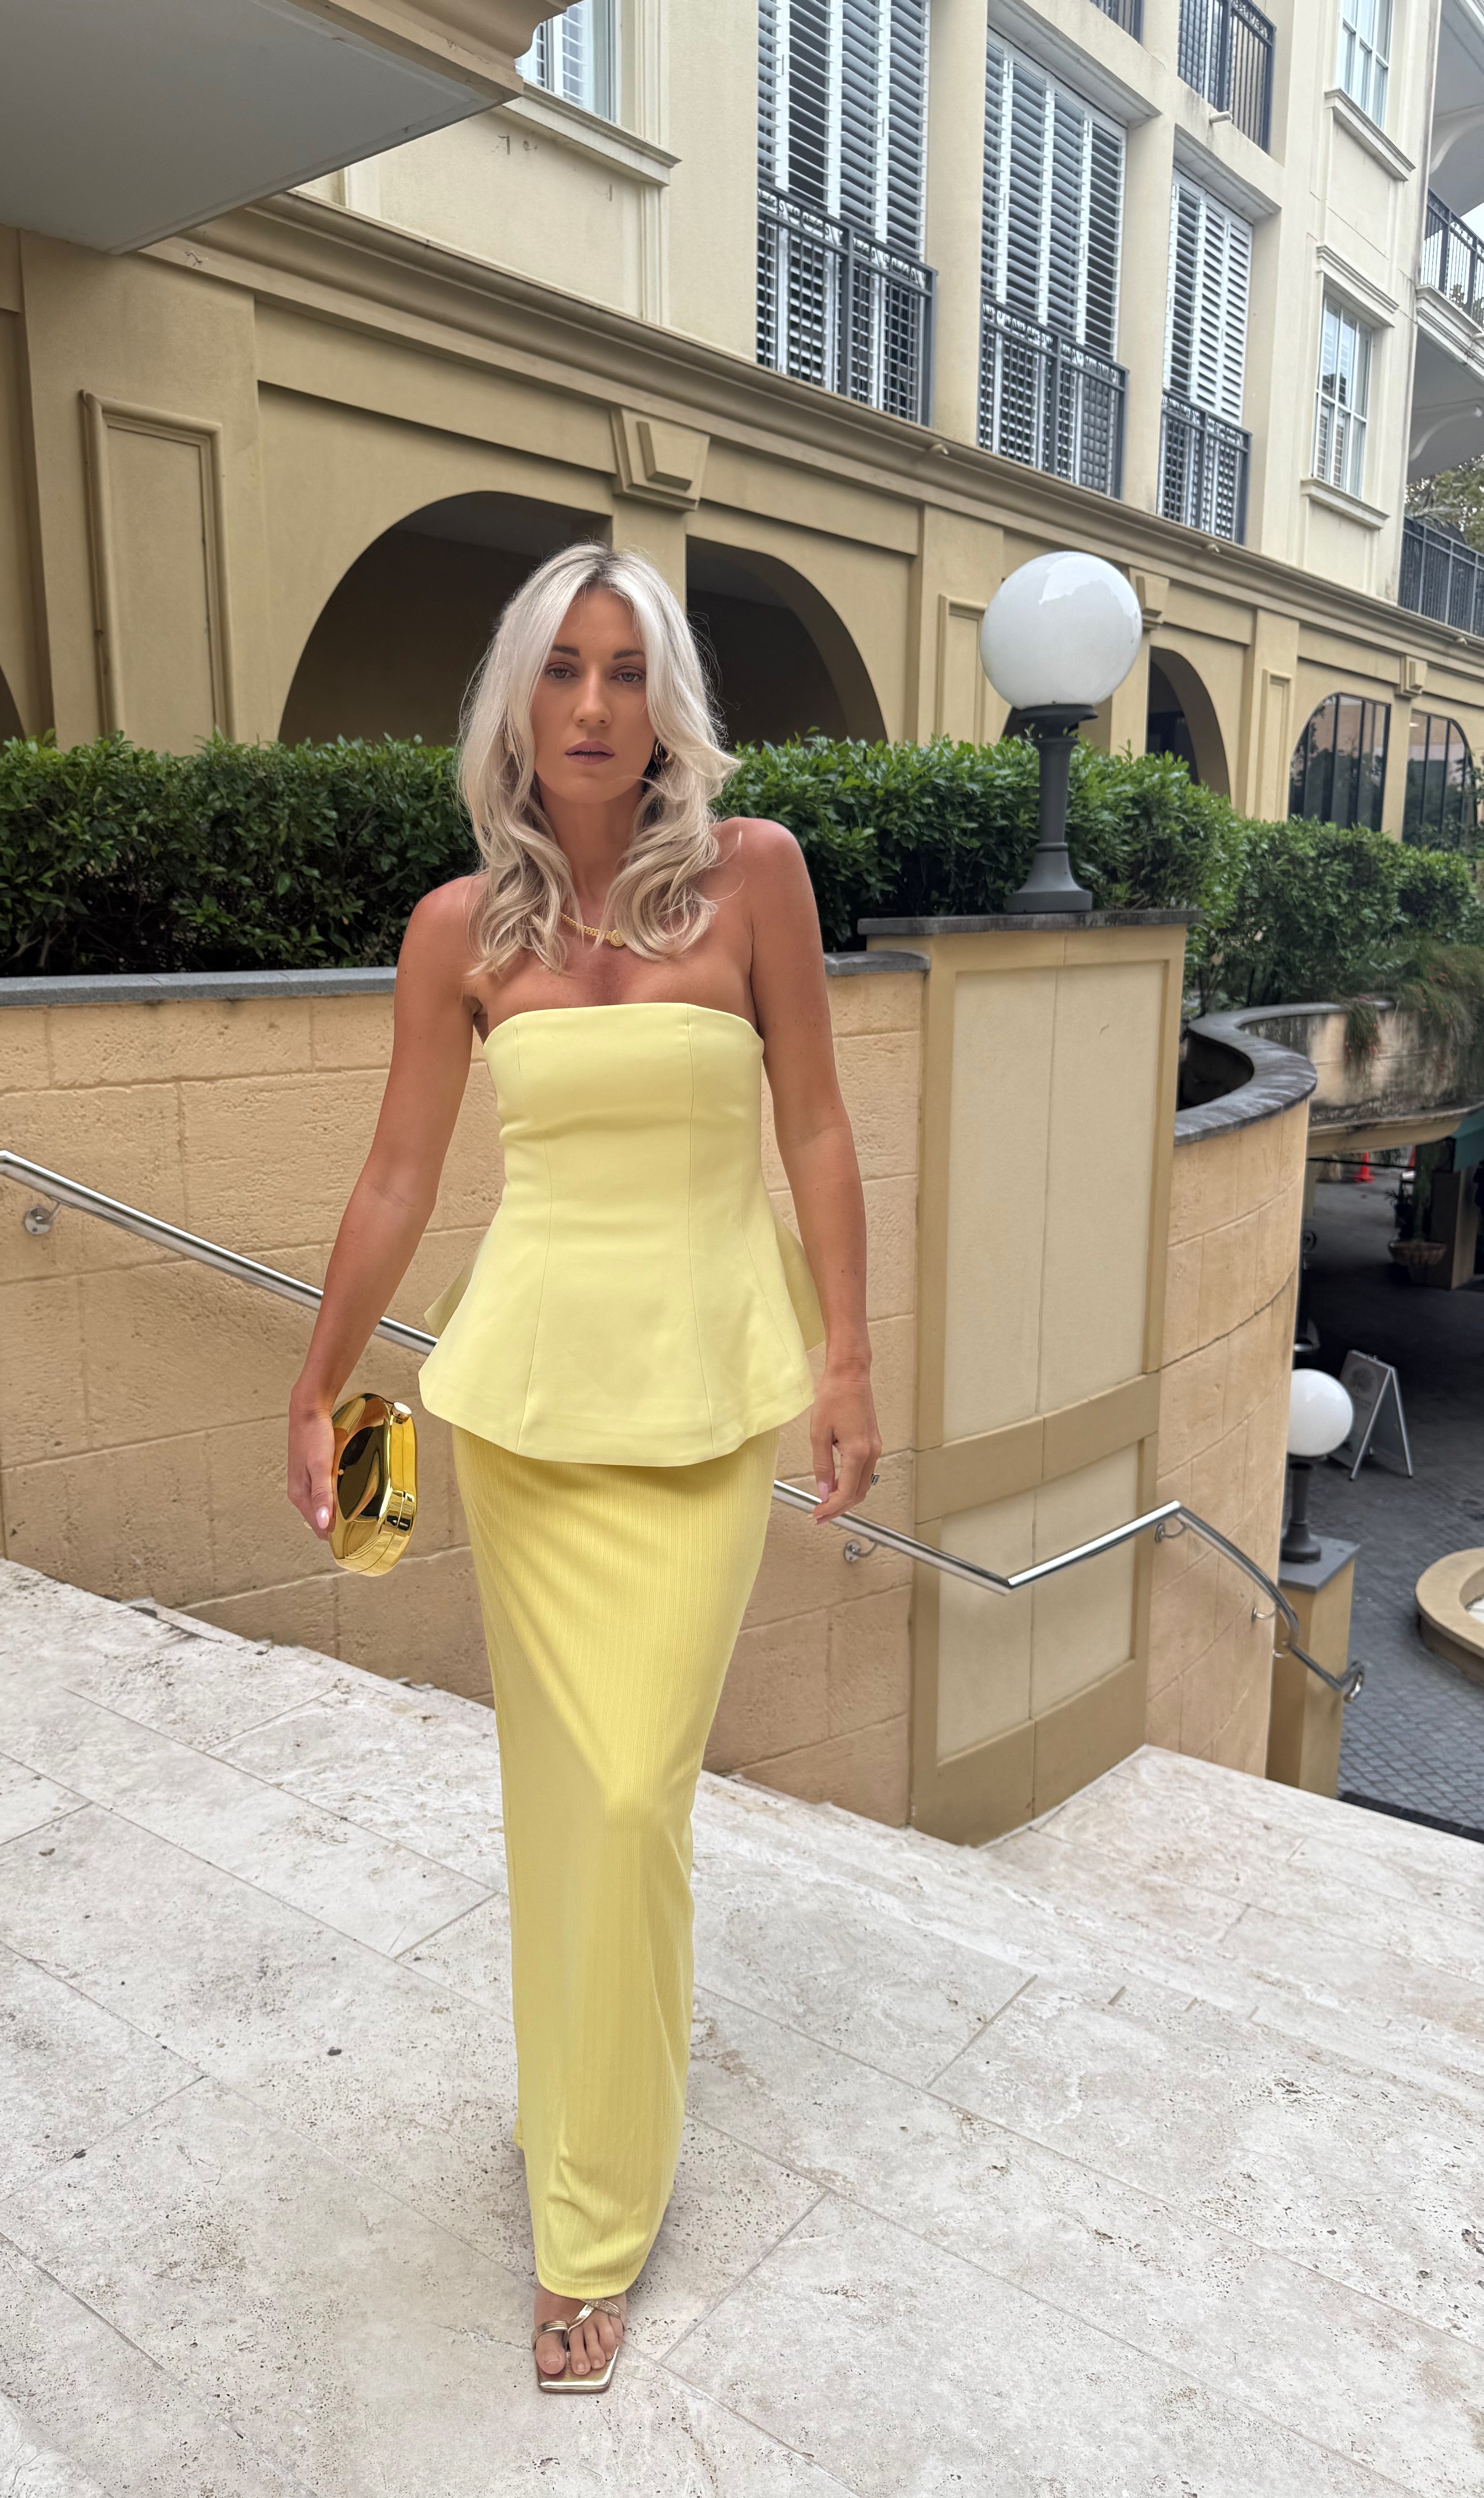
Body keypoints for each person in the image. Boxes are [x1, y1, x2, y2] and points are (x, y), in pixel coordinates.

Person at [286, 541, 880, 2392]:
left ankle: (600, 2167)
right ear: (517, 704)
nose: (596, 706)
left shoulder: (756, 875)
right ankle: (582, 2175)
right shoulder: (459, 929)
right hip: (528, 1416)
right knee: (564, 1805)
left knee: (632, 1796)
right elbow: (399, 1174)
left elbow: (817, 1128)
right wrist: (318, 1384)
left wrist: (850, 1360)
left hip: (706, 1404)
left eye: (627, 671)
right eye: (563, 670)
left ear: (666, 700)